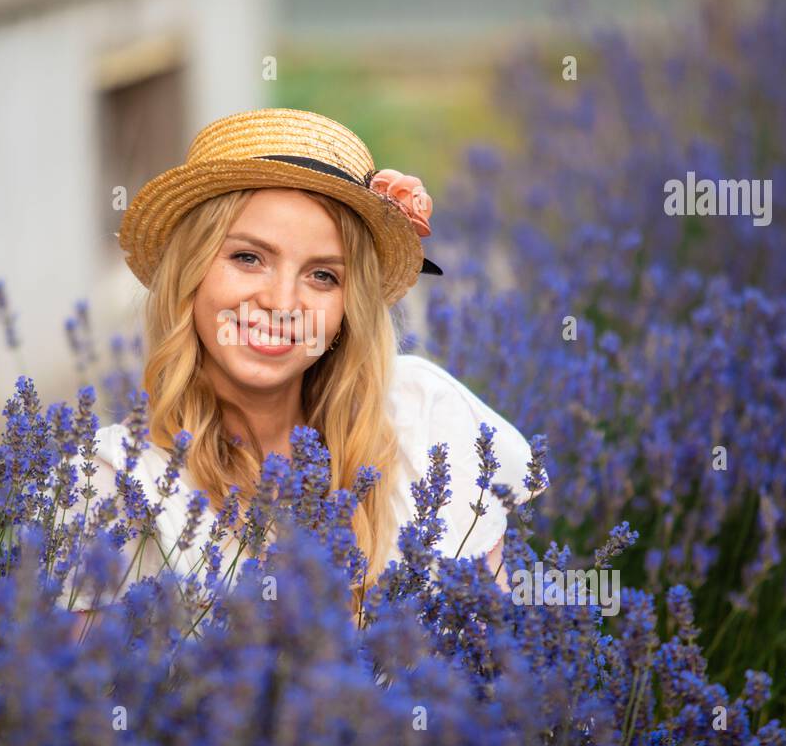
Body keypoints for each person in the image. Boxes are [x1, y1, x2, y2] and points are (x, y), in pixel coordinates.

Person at [67, 108, 545, 635]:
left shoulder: (423, 419)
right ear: (191, 274)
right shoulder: (112, 484)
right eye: (248, 258)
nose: (281, 302)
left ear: (348, 310)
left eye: (322, 275)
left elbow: (503, 661)